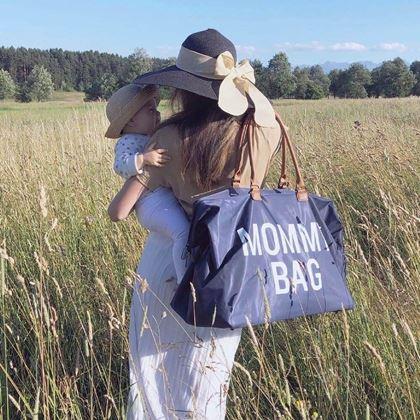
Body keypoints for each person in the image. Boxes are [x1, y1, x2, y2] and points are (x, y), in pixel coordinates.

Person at [108, 28, 281, 419]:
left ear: (184, 88)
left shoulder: (168, 136)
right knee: (208, 381)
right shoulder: (263, 132)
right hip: (230, 267)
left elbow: (122, 209)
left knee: (153, 378)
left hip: (166, 266)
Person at [106, 83, 190, 285]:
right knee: (182, 231)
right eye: (151, 110)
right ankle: (185, 282)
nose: (158, 114)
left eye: (157, 109)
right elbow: (120, 165)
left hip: (156, 196)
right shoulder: (129, 141)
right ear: (132, 120)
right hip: (149, 200)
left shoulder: (147, 136)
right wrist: (143, 159)